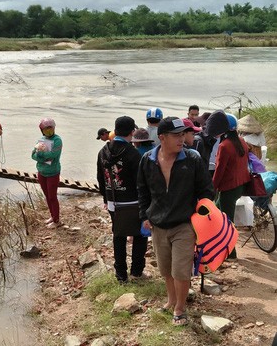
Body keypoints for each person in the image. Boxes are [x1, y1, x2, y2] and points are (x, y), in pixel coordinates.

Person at [138, 117, 214, 326]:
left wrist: (200, 220)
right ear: (162, 137)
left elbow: (207, 191)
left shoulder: (192, 159)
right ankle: (171, 300)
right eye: (176, 135)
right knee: (165, 268)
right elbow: (142, 190)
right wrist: (144, 215)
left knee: (180, 269)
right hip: (158, 224)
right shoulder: (147, 160)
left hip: (184, 224)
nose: (182, 138)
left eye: (183, 134)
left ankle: (180, 307)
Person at [97, 116, 148, 284]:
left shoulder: (103, 152)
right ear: (132, 132)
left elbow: (100, 178)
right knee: (139, 235)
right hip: (133, 201)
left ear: (115, 130)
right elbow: (141, 182)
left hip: (113, 202)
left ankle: (121, 275)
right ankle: (137, 271)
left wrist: (106, 198)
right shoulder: (133, 153)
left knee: (118, 235)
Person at [205, 111, 250, 260]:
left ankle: (231, 253)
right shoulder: (241, 141)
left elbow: (219, 171)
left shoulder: (224, 146)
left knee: (227, 222)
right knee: (218, 214)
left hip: (228, 189)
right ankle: (217, 244)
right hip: (240, 185)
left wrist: (212, 188)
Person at [32, 118, 63, 228]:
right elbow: (33, 155)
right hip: (42, 172)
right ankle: (52, 216)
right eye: (46, 129)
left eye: (50, 128)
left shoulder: (57, 140)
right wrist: (41, 156)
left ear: (54, 128)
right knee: (47, 196)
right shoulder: (41, 140)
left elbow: (52, 156)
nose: (48, 130)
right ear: (42, 130)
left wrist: (40, 154)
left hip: (53, 172)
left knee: (52, 197)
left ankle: (56, 220)